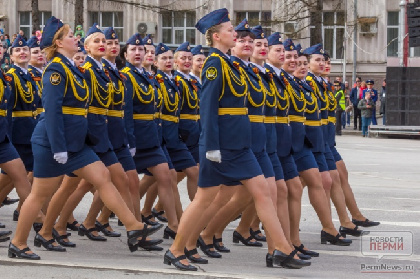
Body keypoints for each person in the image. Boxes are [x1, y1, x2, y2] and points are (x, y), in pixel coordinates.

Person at [164, 9, 310, 271]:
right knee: (206, 200)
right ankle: (177, 249)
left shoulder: (231, 64)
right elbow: (207, 107)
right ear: (217, 36)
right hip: (224, 146)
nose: (237, 34)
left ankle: (280, 248)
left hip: (238, 144)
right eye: (231, 31)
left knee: (256, 193)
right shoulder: (214, 64)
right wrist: (210, 147)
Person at [8, 16, 160, 260]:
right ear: (58, 43)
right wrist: (58, 147)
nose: (74, 38)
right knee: (39, 194)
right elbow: (53, 110)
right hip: (52, 142)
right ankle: (18, 242)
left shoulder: (73, 68)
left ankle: (134, 226)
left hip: (78, 142)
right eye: (69, 36)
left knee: (103, 176)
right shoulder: (56, 69)